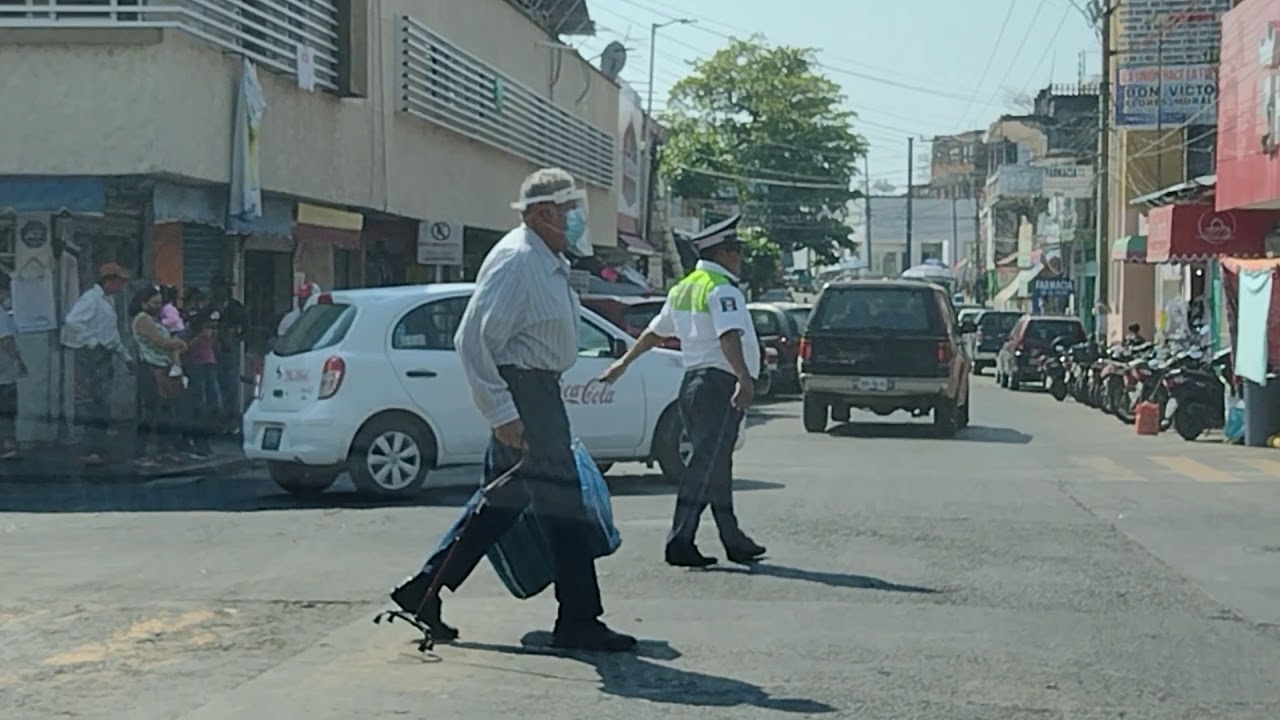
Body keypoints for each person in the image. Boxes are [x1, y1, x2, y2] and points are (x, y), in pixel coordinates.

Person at [388, 168, 636, 653]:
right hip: (526, 395)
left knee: (502, 505)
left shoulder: (545, 259)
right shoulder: (520, 261)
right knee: (566, 510)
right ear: (544, 214)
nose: (578, 220)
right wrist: (503, 412)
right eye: (571, 211)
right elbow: (472, 339)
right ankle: (579, 618)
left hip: (538, 394)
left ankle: (425, 590)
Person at [599, 214, 766, 567]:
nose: (740, 257)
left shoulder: (686, 286)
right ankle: (680, 541)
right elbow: (729, 336)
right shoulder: (722, 289)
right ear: (722, 253)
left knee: (717, 465)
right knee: (705, 466)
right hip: (718, 383)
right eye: (735, 250)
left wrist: (623, 363)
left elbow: (655, 332)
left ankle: (733, 539)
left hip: (694, 384)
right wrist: (744, 379)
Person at [61, 263, 133, 465]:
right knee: (94, 402)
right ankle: (90, 448)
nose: (122, 286)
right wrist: (92, 343)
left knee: (102, 403)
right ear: (109, 281)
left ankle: (98, 448)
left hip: (104, 354)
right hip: (91, 356)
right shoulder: (91, 299)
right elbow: (73, 321)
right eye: (120, 281)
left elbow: (112, 335)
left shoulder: (107, 301)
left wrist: (125, 357)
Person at [130, 285, 192, 464]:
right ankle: (140, 453)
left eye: (160, 302)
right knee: (150, 412)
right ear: (144, 303)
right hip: (150, 369)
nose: (158, 306)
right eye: (154, 303)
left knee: (166, 411)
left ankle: (164, 450)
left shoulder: (157, 321)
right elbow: (161, 342)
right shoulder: (142, 320)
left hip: (164, 369)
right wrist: (178, 343)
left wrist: (177, 360)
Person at [0, 271, 28, 460]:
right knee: (7, 409)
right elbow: (6, 339)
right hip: (3, 371)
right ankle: (8, 444)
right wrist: (20, 361)